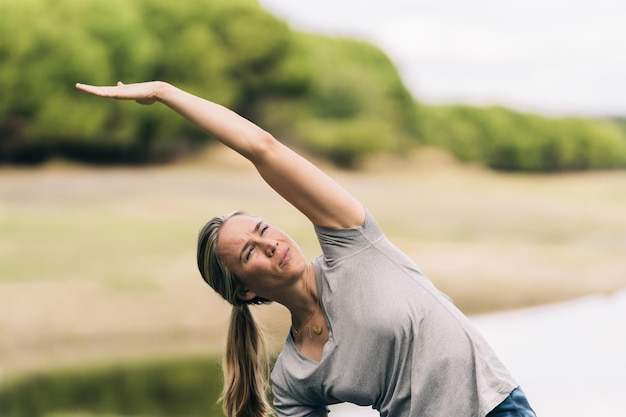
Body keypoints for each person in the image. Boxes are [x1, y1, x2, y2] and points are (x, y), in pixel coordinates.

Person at [76, 81, 537, 417]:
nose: (270, 243)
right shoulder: (293, 378)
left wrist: (165, 92)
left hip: (493, 408)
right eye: (249, 254)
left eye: (262, 228)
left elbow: (264, 148)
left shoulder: (353, 245)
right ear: (244, 291)